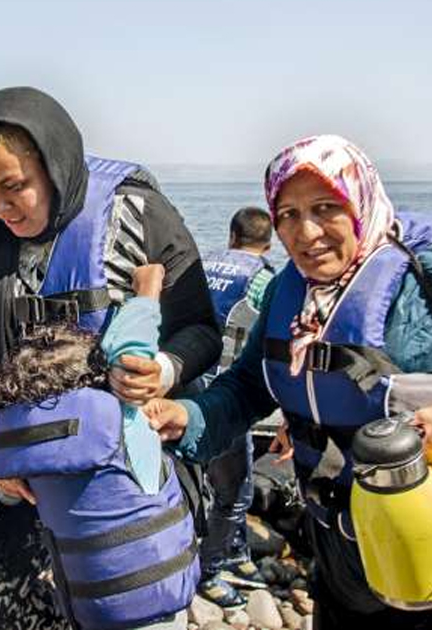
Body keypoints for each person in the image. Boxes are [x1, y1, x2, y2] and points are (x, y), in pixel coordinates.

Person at [143, 134, 432, 628]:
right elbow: (249, 385)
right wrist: (188, 415)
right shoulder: (291, 289)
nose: (305, 233)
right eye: (287, 214)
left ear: (361, 202)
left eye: (326, 208)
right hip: (336, 539)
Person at [0, 86, 221, 629]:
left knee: (127, 607)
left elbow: (201, 328)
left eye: (15, 186)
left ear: (56, 165)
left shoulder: (135, 210)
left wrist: (165, 371)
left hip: (120, 461)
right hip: (17, 460)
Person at [0, 264, 196, 629]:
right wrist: (147, 288)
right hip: (162, 595)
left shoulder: (8, 444)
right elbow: (131, 345)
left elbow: (6, 490)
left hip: (92, 609)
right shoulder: (123, 418)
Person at [196, 207, 276, 607]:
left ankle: (237, 551)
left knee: (204, 483)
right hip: (229, 395)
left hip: (186, 383)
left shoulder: (201, 263)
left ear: (231, 236)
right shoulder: (265, 280)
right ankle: (209, 574)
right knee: (234, 491)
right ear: (269, 243)